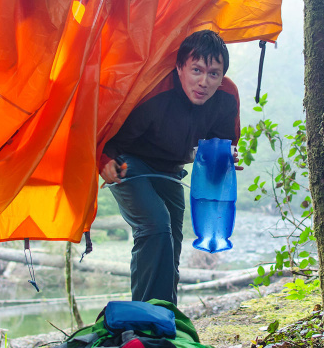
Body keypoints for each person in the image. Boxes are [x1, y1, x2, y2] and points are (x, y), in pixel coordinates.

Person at [99, 30, 240, 304]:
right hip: (129, 162)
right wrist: (103, 161)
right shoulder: (153, 91)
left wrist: (224, 159)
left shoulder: (226, 97)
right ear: (179, 68)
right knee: (155, 226)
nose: (203, 82)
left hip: (172, 170)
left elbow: (220, 144)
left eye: (213, 74)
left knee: (173, 240)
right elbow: (107, 133)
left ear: (222, 77)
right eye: (196, 70)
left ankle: (164, 317)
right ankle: (145, 321)